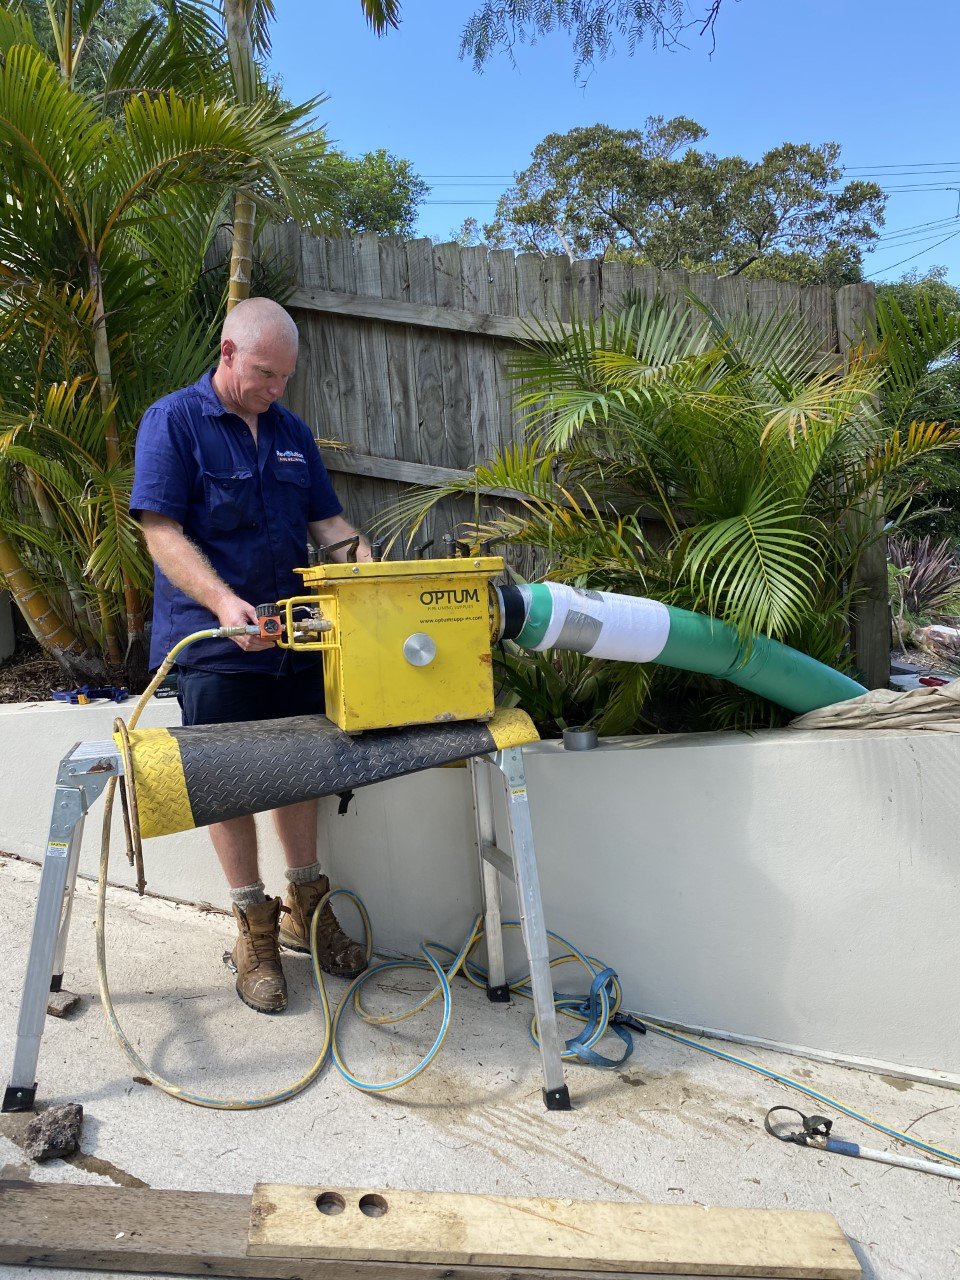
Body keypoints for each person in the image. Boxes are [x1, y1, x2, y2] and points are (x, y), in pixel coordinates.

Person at [130, 296, 371, 1015]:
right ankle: (252, 927)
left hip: (295, 636)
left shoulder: (292, 431)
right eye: (265, 374)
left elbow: (325, 520)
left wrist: (362, 564)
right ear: (229, 354)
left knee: (302, 770)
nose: (276, 390)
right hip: (214, 644)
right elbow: (162, 531)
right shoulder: (172, 422)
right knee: (227, 783)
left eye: (285, 377)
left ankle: (305, 903)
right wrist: (223, 604)